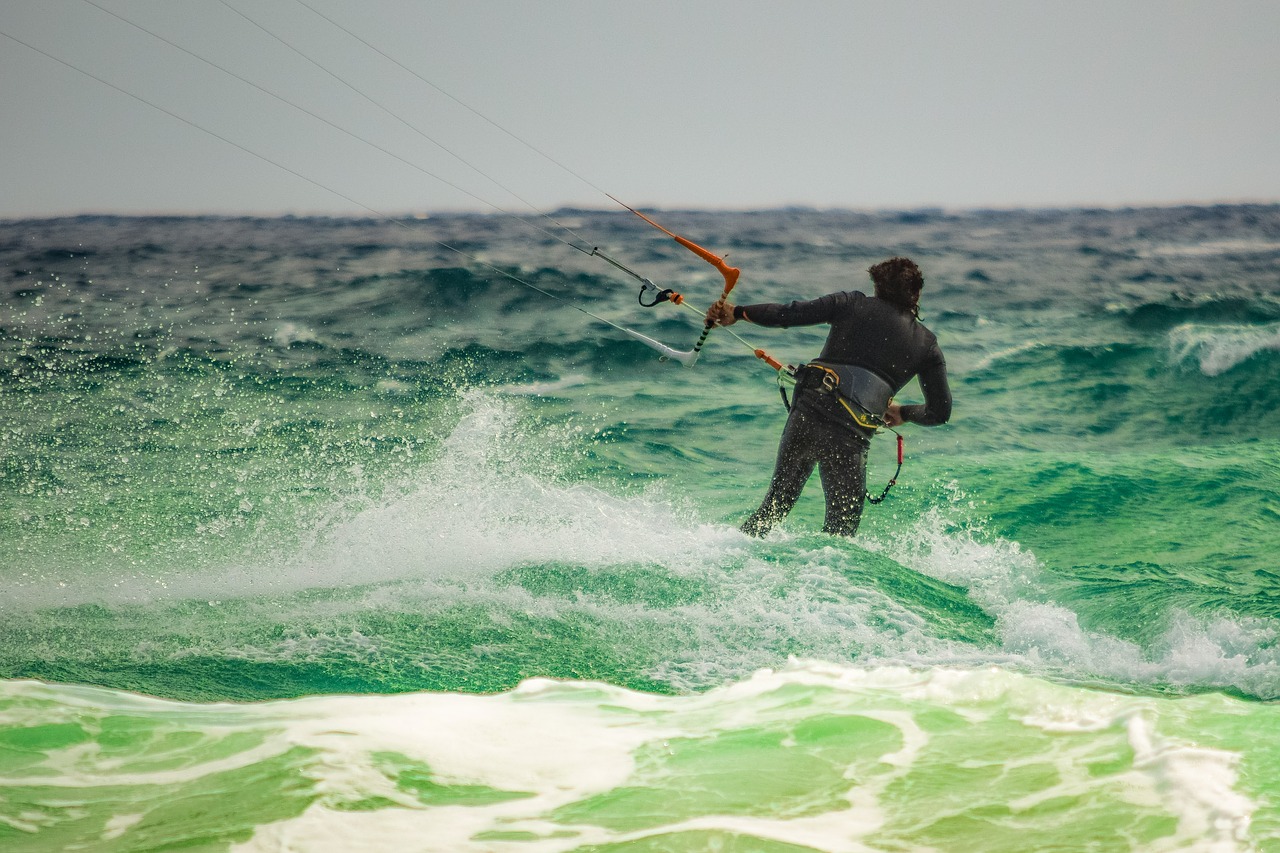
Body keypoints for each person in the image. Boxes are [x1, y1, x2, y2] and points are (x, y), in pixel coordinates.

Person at [705, 257, 951, 537]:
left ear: (877, 287)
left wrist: (737, 312)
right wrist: (904, 413)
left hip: (808, 417)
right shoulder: (927, 345)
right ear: (916, 294)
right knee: (841, 533)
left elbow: (790, 313)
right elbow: (939, 413)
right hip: (850, 440)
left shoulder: (851, 304)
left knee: (773, 509)